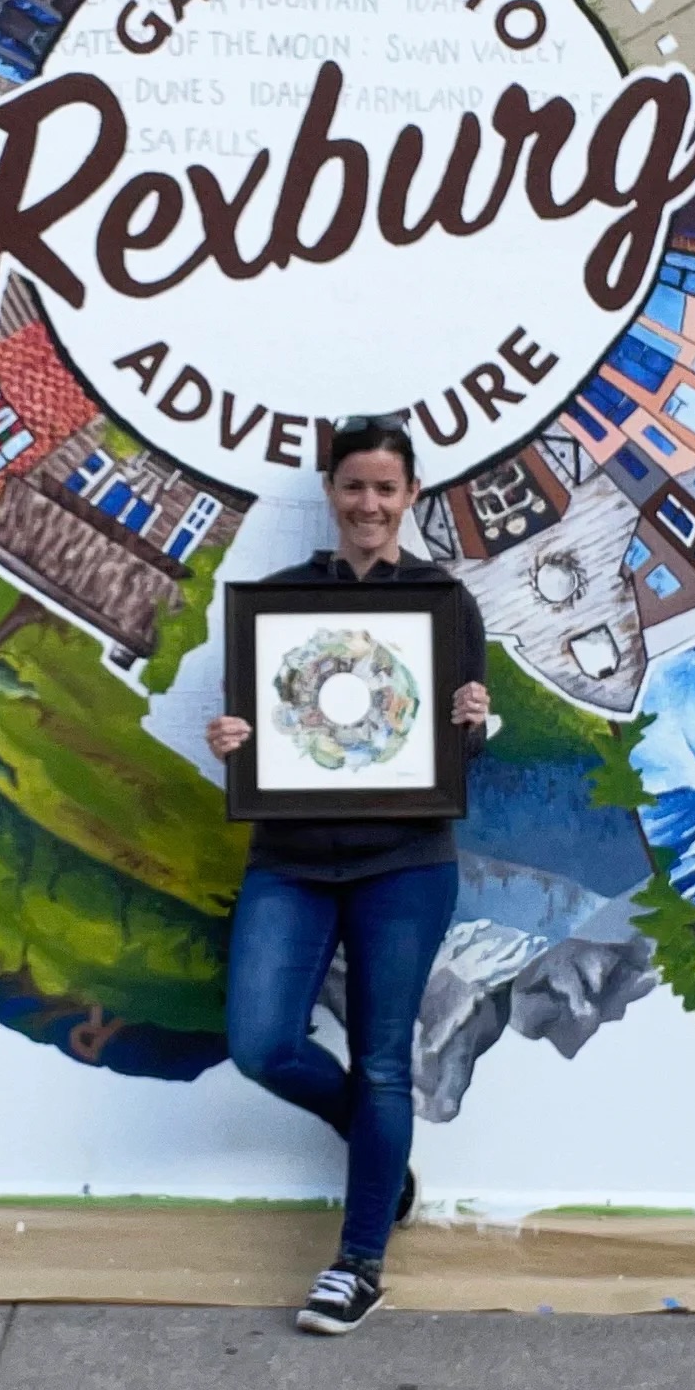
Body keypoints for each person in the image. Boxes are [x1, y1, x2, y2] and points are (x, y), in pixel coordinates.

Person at [205, 416, 491, 1336]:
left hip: (404, 863)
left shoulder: (445, 601)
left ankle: (359, 1260)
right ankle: (376, 1150)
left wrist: (472, 722)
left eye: (387, 487)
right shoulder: (280, 602)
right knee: (260, 1042)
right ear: (331, 491)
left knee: (380, 1062)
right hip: (289, 859)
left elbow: (458, 751)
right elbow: (263, 730)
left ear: (412, 496)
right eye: (354, 485)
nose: (369, 503)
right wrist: (232, 742)